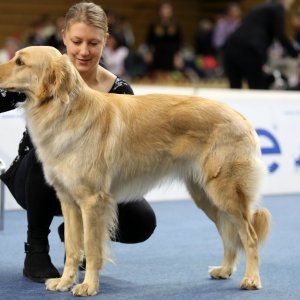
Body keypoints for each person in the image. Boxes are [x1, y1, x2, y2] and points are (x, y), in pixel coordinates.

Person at [0, 2, 156, 283]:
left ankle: (78, 235)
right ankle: (36, 249)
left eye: (93, 43)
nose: (84, 51)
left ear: (105, 41)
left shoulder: (120, 90)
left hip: (91, 181)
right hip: (34, 181)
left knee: (143, 221)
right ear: (64, 37)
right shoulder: (40, 69)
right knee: (50, 151)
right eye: (77, 41)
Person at [223, 0, 300, 89]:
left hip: (231, 46)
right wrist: (295, 53)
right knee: (257, 87)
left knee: (235, 87)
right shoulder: (277, 8)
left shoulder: (259, 8)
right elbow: (280, 35)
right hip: (250, 49)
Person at [145, 0, 182, 74]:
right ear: (159, 11)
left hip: (171, 55)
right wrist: (148, 52)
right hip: (157, 54)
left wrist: (178, 56)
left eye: (168, 9)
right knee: (156, 74)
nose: (166, 11)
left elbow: (179, 42)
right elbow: (149, 41)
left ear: (171, 11)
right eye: (164, 9)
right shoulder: (154, 25)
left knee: (171, 75)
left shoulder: (175, 25)